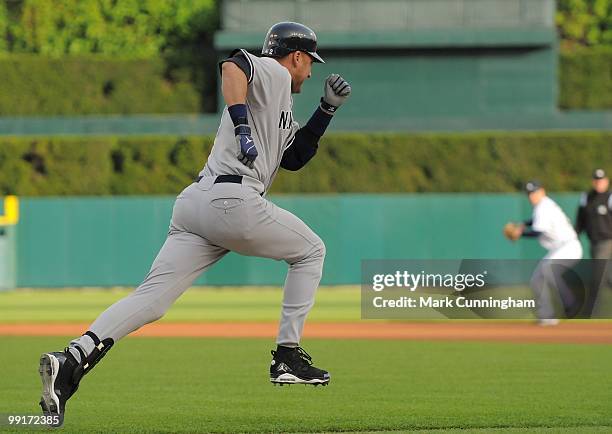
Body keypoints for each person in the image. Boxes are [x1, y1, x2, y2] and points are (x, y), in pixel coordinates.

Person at [38, 21, 352, 426]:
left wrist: (325, 111)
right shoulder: (273, 73)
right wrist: (241, 125)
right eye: (309, 62)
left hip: (195, 205)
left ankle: (73, 359)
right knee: (311, 251)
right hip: (233, 200)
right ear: (295, 57)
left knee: (151, 300)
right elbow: (233, 66)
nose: (310, 73)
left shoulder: (278, 105)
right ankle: (287, 356)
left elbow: (293, 158)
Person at [517, 181, 583, 325]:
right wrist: (524, 224)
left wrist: (520, 233)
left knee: (549, 269)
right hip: (559, 249)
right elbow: (535, 221)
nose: (531, 196)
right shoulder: (542, 206)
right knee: (537, 279)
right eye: (529, 193)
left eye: (534, 192)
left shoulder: (543, 207)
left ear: (542, 191)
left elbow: (538, 231)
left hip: (568, 247)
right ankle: (547, 316)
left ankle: (570, 302)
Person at [575, 168, 612, 314]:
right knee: (608, 278)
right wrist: (574, 235)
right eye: (596, 180)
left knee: (597, 277)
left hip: (607, 242)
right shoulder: (586, 197)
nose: (599, 183)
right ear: (593, 181)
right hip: (594, 243)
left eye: (601, 180)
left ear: (606, 181)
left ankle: (590, 313)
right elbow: (580, 221)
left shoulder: (610, 197)